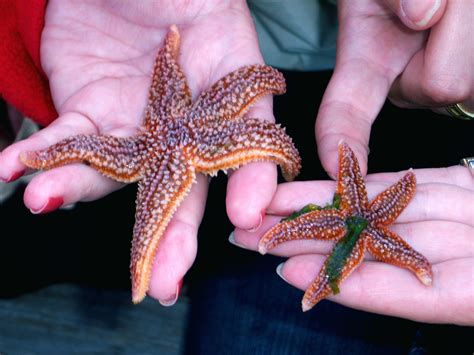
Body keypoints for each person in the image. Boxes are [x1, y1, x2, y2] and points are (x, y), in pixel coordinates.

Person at [0, 0, 472, 334]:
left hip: (412, 105)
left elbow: (258, 100)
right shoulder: (174, 110)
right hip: (258, 44)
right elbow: (181, 69)